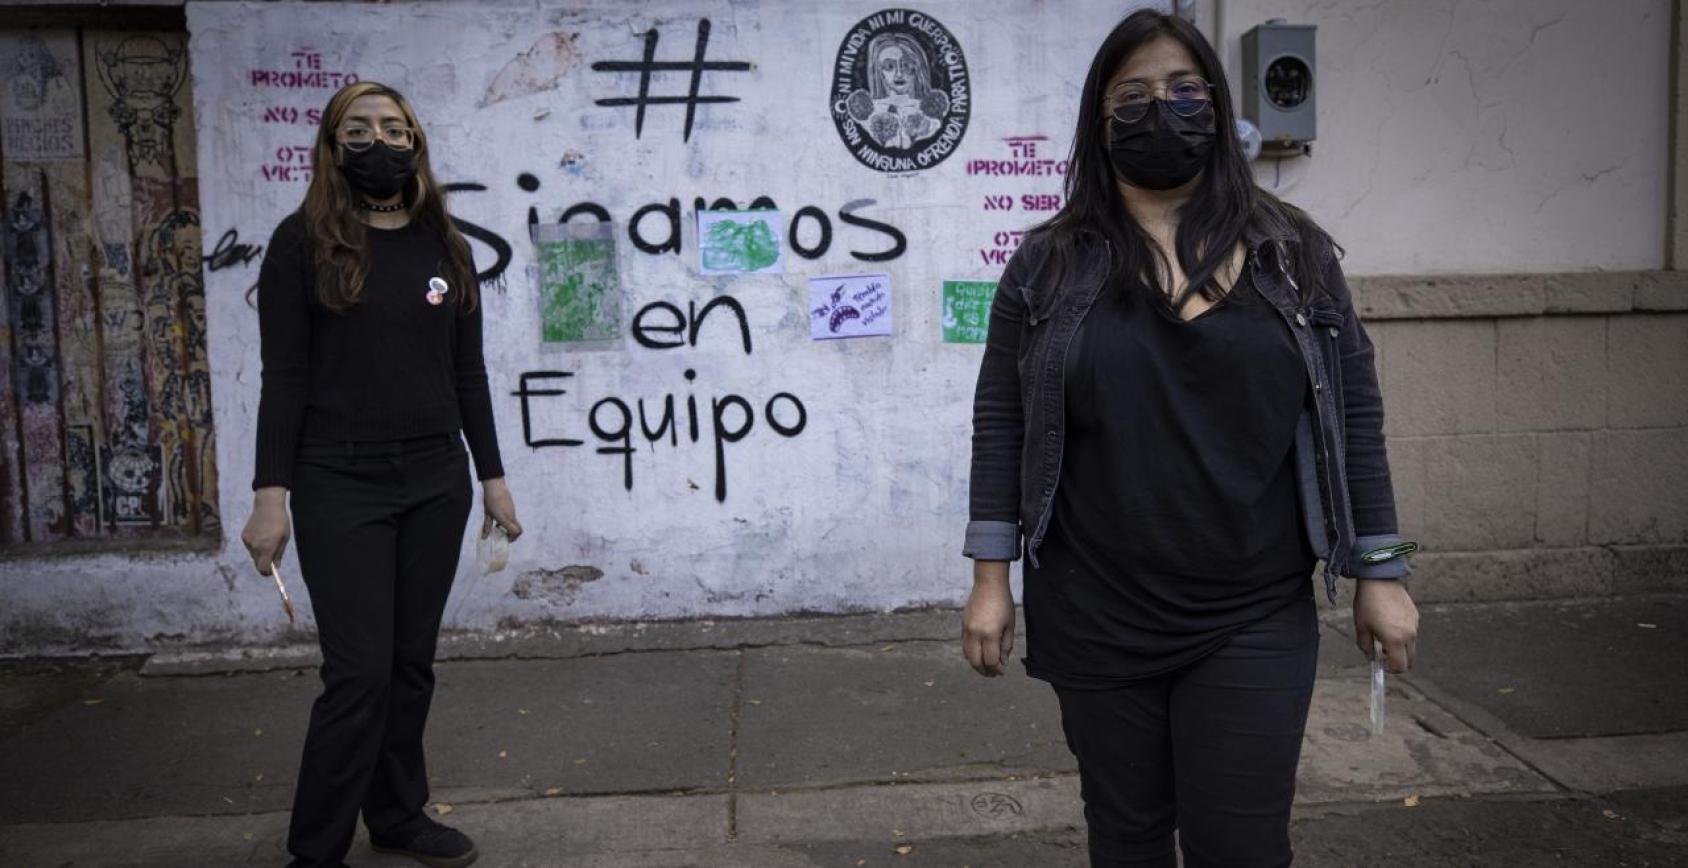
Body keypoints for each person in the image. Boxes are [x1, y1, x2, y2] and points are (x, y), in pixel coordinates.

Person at [959, 10, 1419, 867]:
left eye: (1182, 90)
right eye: (1131, 95)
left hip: (1251, 609)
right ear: (1100, 119)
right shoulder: (1047, 264)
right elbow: (1002, 421)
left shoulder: (1297, 255)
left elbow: (1353, 415)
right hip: (1095, 607)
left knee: (1239, 846)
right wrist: (993, 577)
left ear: (1216, 104)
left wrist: (1379, 572)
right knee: (1126, 838)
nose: (1159, 110)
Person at [240, 81, 523, 868]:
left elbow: (469, 376)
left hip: (437, 479)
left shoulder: (446, 245)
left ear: (416, 144)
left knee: (408, 664)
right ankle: (317, 847)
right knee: (359, 672)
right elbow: (284, 377)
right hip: (339, 481)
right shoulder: (300, 242)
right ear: (333, 147)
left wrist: (493, 481)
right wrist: (273, 499)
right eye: (359, 129)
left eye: (395, 129)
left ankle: (398, 815)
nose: (380, 142)